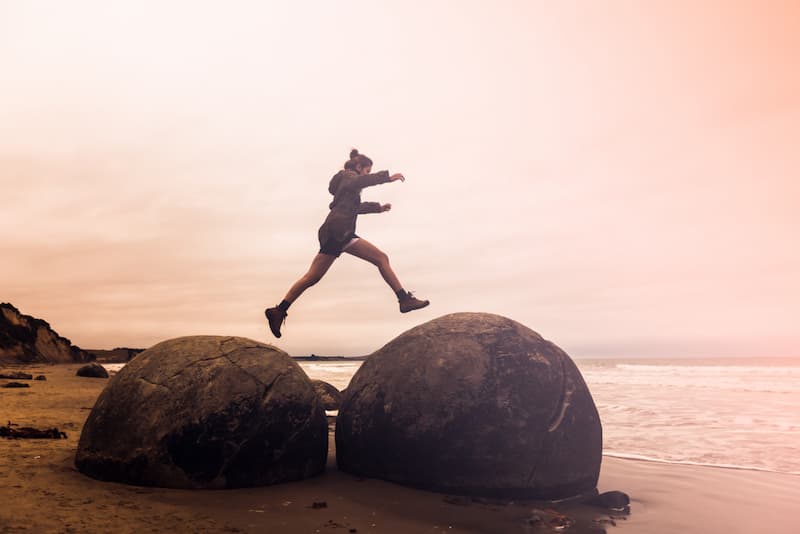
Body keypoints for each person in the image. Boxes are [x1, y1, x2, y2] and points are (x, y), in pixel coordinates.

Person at [264, 149, 430, 338]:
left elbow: (355, 207)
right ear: (359, 167)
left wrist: (378, 208)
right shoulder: (349, 176)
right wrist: (387, 178)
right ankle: (404, 299)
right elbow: (359, 181)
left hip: (334, 230)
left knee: (312, 277)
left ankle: (279, 310)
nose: (366, 175)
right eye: (367, 171)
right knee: (381, 258)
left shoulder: (346, 188)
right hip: (339, 230)